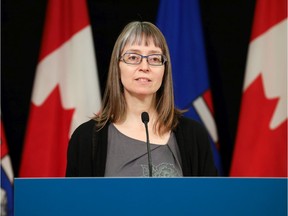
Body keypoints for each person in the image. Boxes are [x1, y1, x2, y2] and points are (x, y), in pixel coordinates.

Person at [66, 21, 218, 177]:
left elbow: (209, 199)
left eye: (154, 59)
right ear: (117, 67)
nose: (144, 66)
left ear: (164, 70)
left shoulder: (194, 136)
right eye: (133, 57)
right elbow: (75, 200)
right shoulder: (86, 139)